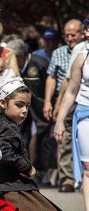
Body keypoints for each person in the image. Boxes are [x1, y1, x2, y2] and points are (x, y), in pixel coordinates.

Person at [0, 77, 60, 210]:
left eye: (27, 106)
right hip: (12, 187)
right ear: (3, 103)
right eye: (19, 105)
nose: (25, 110)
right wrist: (27, 167)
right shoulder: (7, 128)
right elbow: (3, 152)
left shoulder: (3, 124)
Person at [43, 19, 84, 190]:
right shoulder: (59, 52)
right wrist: (48, 102)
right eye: (66, 35)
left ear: (82, 33)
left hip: (83, 97)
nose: (69, 38)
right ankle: (66, 179)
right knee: (64, 138)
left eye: (73, 34)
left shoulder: (83, 50)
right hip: (65, 98)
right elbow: (52, 78)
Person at [54, 49, 89, 210]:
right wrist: (60, 121)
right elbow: (71, 91)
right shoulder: (83, 56)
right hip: (85, 113)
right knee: (88, 166)